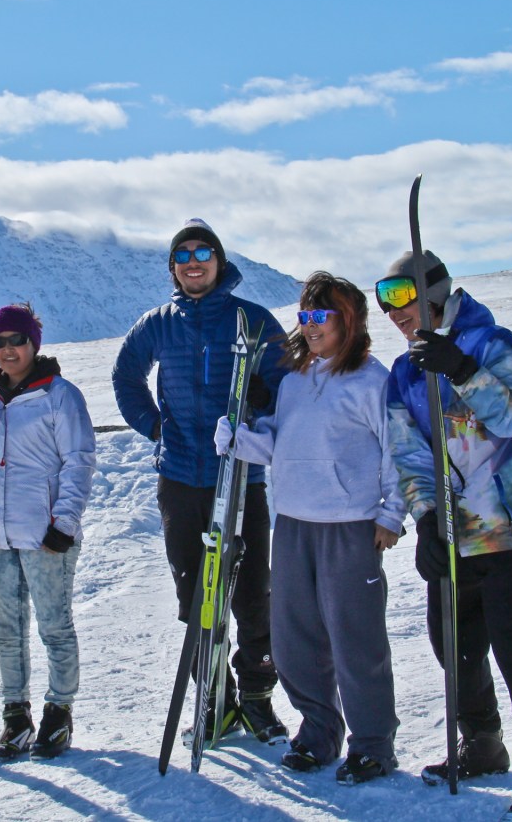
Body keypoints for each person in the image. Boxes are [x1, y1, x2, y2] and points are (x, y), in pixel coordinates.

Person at [380, 249, 512, 793]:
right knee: (452, 641)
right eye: (385, 305)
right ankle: (482, 740)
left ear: (436, 293)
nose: (394, 314)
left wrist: (461, 369)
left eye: (402, 298)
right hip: (455, 531)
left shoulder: (493, 343)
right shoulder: (403, 370)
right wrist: (426, 518)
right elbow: (409, 453)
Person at [215, 272, 406, 784]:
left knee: (355, 639)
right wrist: (239, 440)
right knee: (295, 638)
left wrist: (391, 515)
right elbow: (280, 443)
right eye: (306, 315)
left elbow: (398, 451)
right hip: (294, 522)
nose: (312, 324)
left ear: (350, 321)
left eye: (324, 314)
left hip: (351, 525)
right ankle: (319, 733)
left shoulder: (371, 380)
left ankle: (372, 744)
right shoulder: (296, 381)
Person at [112, 218, 289, 744]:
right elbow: (125, 377)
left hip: (241, 479)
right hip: (181, 479)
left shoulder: (252, 320)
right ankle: (215, 699)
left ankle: (257, 698)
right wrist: (155, 427)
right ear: (173, 266)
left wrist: (263, 398)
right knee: (196, 597)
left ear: (219, 261)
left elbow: (287, 384)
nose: (193, 261)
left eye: (203, 252)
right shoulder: (157, 323)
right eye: (183, 254)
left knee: (253, 593)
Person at [0, 303, 97, 762]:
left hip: (44, 533)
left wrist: (65, 524)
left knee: (54, 625)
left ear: (34, 341)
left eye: (16, 340)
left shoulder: (60, 395)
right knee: (7, 629)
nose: (8, 350)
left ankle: (59, 712)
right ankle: (16, 717)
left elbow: (79, 462)